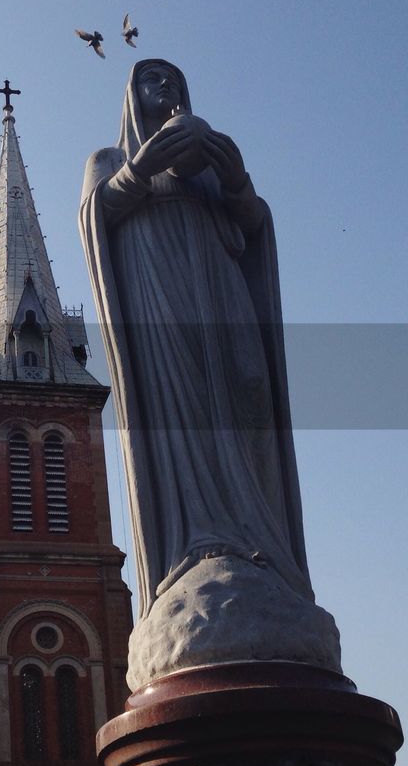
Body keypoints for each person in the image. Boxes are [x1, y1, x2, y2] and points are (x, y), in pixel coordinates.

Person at [79, 59, 315, 621]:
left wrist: (236, 181)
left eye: (177, 82)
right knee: (180, 412)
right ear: (130, 96)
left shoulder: (211, 164)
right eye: (153, 79)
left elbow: (254, 225)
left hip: (222, 299)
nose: (168, 88)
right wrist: (140, 169)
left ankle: (264, 550)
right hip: (161, 308)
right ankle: (201, 543)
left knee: (250, 393)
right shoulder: (109, 160)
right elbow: (95, 218)